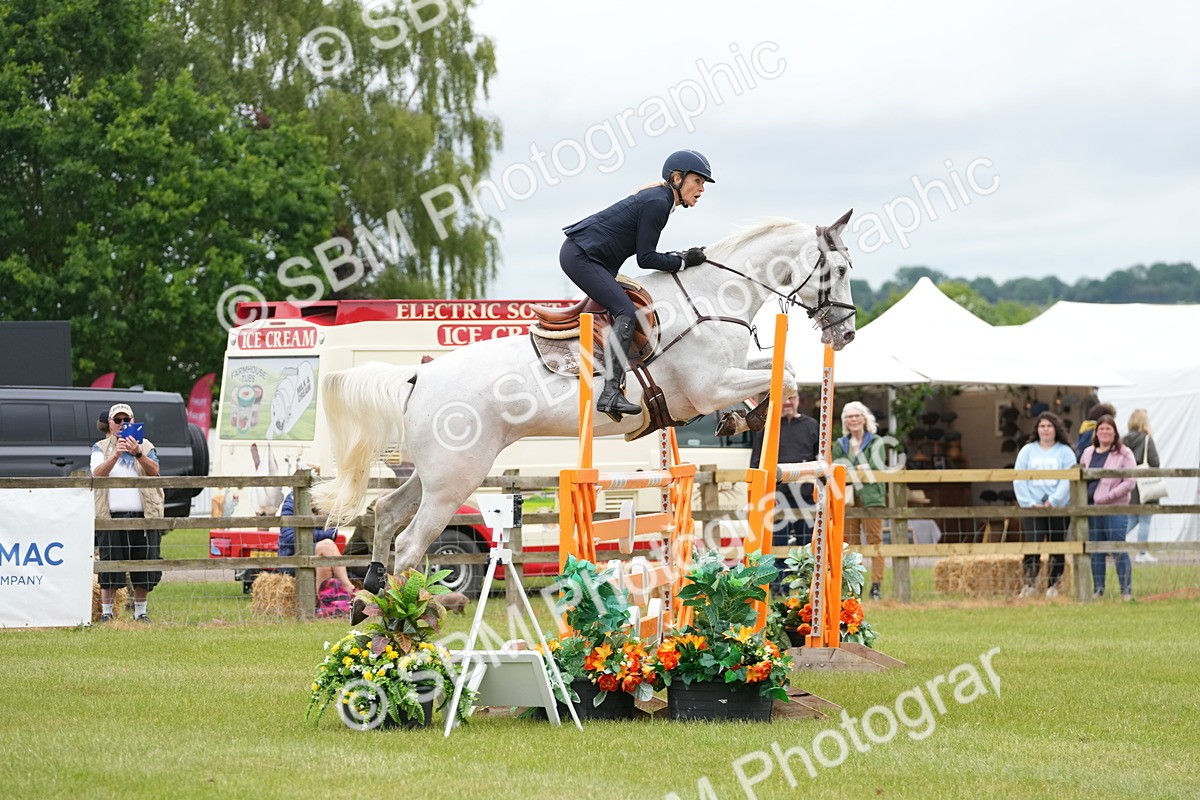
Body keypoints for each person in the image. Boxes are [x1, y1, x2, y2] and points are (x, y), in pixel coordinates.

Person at [560, 149, 714, 418]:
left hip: (591, 258)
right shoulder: (658, 203)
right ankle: (609, 393)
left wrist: (679, 258)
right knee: (627, 313)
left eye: (703, 184)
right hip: (582, 257)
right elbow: (646, 258)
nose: (701, 189)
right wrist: (683, 261)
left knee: (625, 308)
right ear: (677, 178)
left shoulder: (660, 198)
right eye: (697, 181)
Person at [90, 402, 163, 623]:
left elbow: (155, 471)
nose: (123, 425)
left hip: (144, 515)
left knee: (145, 563)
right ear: (110, 424)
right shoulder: (100, 448)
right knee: (110, 564)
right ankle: (106, 614)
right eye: (118, 420)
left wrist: (138, 453)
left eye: (126, 420)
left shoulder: (147, 446)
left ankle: (141, 612)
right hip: (111, 517)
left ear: (133, 421)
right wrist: (115, 455)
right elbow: (96, 474)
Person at [749, 391, 819, 590]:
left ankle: (805, 584)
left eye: (792, 398)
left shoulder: (811, 425)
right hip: (777, 494)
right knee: (777, 541)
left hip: (805, 495)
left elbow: (821, 460)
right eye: (784, 399)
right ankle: (778, 586)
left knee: (806, 541)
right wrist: (765, 493)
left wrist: (817, 489)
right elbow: (757, 462)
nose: (788, 402)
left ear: (798, 400)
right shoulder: (768, 427)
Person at [1013, 412, 1076, 598]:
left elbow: (1068, 480)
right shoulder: (1027, 451)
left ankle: (1053, 585)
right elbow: (1019, 478)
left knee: (1056, 545)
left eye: (1049, 426)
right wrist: (1030, 503)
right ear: (1037, 429)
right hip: (1032, 506)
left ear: (1056, 429)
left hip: (1057, 507)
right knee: (1033, 544)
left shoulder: (1065, 452)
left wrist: (1053, 501)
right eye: (1042, 426)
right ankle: (1030, 584)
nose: (1046, 429)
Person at [832, 401, 890, 600]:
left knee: (875, 541)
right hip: (848, 499)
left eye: (857, 416)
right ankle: (854, 586)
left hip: (872, 497)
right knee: (851, 543)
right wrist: (858, 468)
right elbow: (837, 466)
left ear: (865, 418)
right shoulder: (840, 444)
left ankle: (876, 585)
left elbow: (875, 466)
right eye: (849, 417)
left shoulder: (876, 442)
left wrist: (852, 469)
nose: (854, 420)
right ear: (845, 421)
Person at [1080, 414, 1136, 601]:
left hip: (1115, 509)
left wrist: (1109, 496)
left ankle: (1126, 591)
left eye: (1108, 429)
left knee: (1117, 547)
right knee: (1096, 549)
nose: (1104, 432)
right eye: (1101, 429)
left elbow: (1129, 481)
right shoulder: (1088, 452)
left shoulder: (1124, 453)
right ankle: (1098, 590)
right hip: (1092, 508)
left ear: (1115, 432)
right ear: (1096, 433)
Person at [277, 482, 356, 600]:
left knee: (323, 559)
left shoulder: (323, 503)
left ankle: (325, 603)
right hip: (293, 556)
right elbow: (290, 538)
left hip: (318, 553)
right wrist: (318, 539)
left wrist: (312, 534)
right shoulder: (291, 503)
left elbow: (333, 532)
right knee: (326, 545)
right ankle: (348, 587)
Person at [1123, 409, 1160, 563]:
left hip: (1130, 484)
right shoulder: (1146, 440)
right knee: (1145, 519)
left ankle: (1115, 544)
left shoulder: (1124, 440)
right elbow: (1155, 462)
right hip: (1145, 484)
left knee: (1132, 518)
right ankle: (1142, 553)